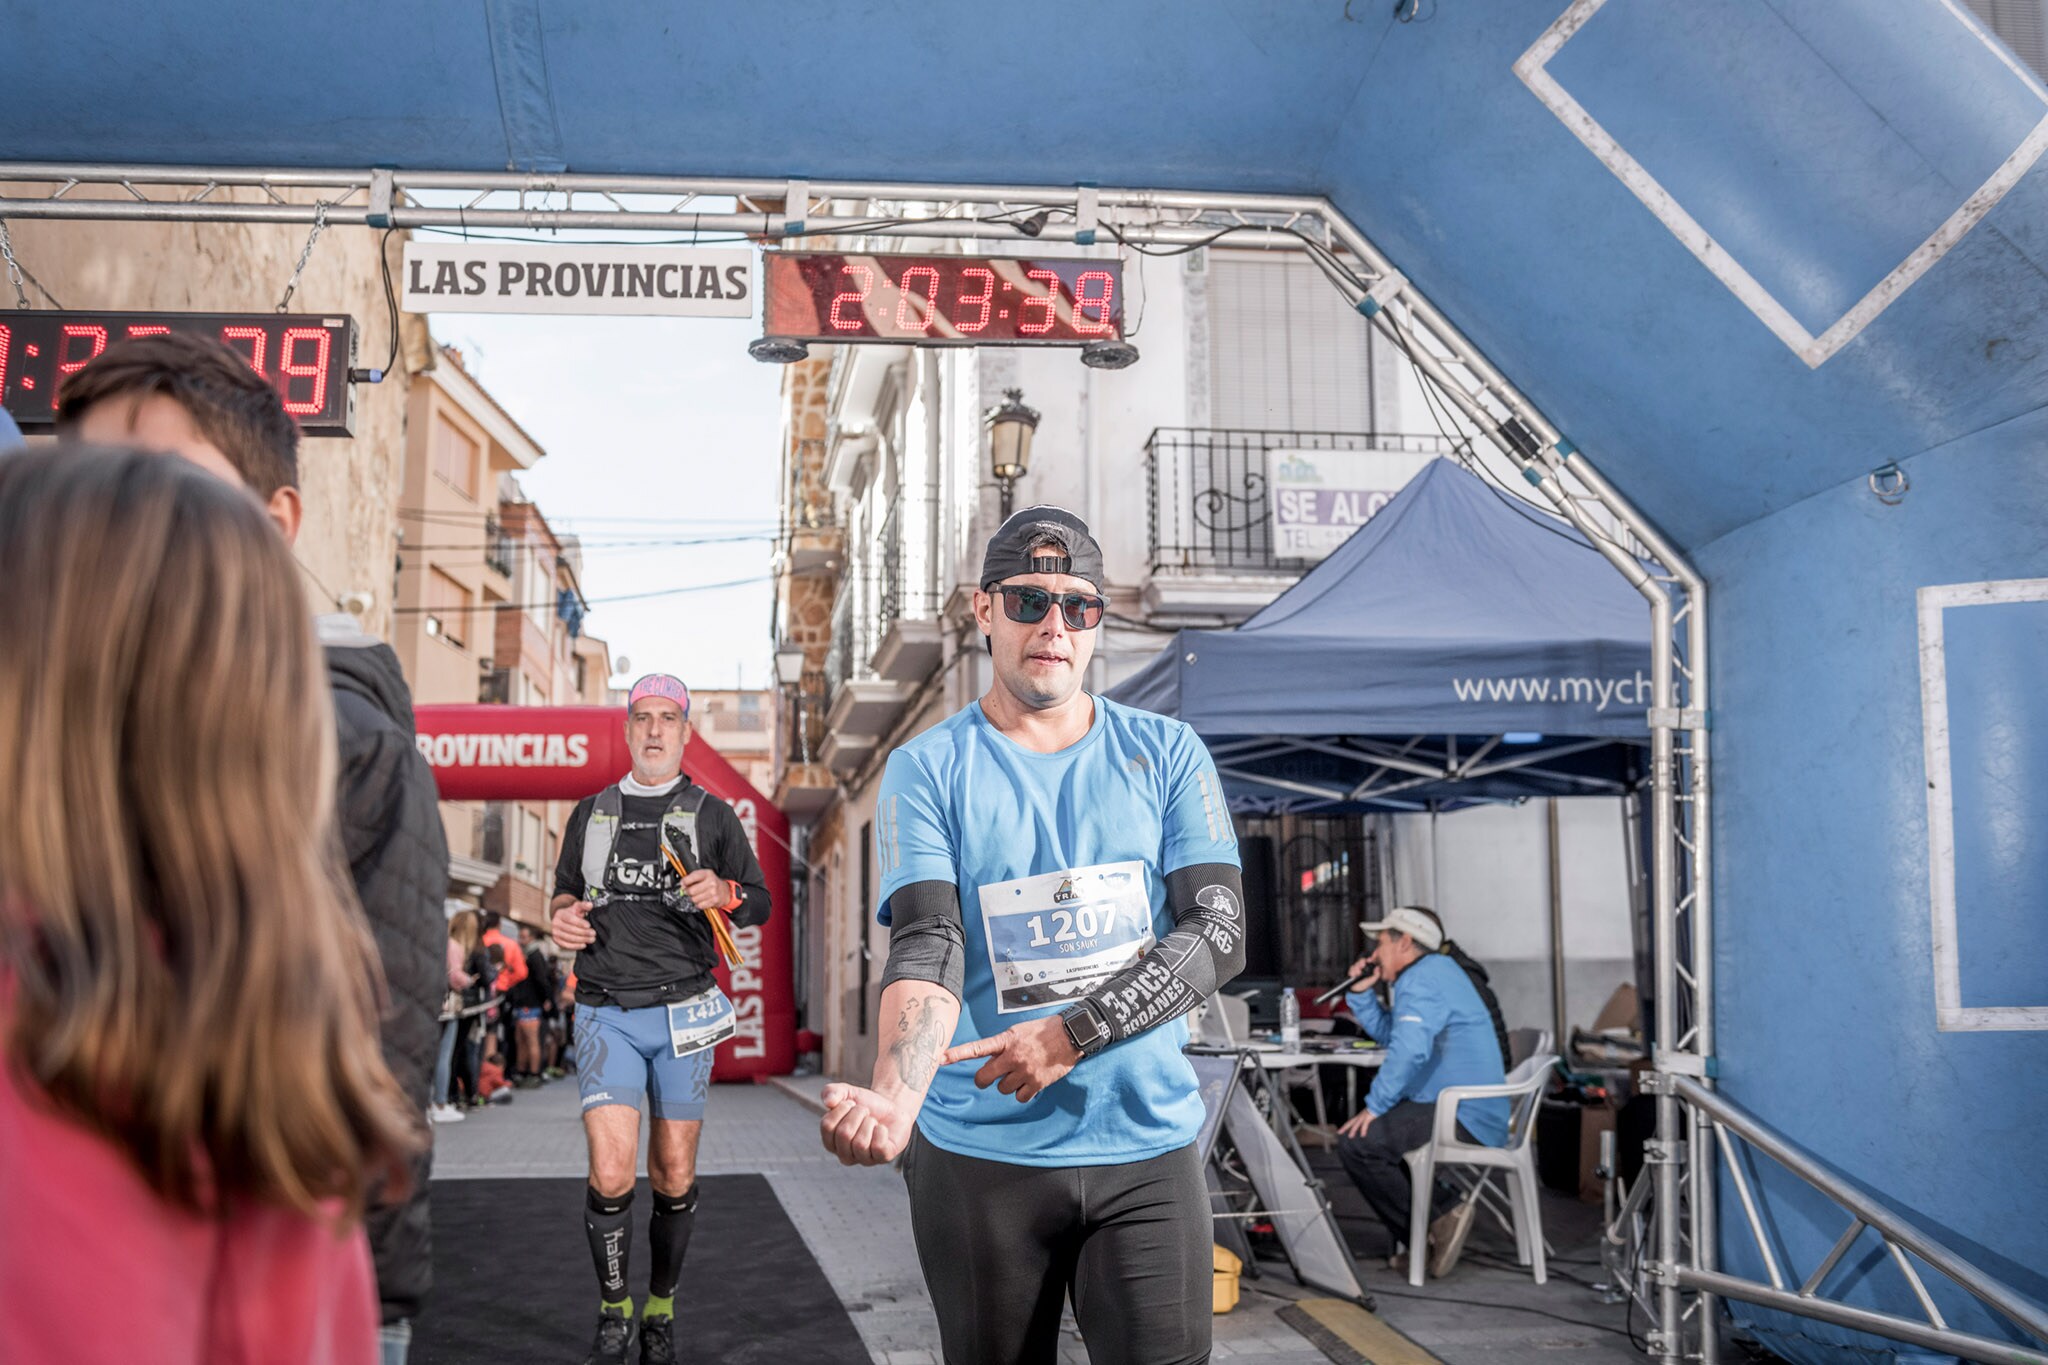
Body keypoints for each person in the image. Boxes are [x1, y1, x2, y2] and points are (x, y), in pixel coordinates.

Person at [59, 333, 450, 1363]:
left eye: (164, 485)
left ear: (273, 525)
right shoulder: (44, 725)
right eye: (89, 483)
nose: (117, 523)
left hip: (266, 1287)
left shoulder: (350, 750)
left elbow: (377, 1071)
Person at [819, 506, 1246, 1365]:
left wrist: (1074, 1032)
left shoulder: (1167, 751)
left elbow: (1219, 933)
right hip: (980, 1159)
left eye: (1078, 605)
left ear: (1098, 622)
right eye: (1027, 600)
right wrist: (897, 1096)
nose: (1054, 625)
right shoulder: (927, 767)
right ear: (984, 611)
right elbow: (929, 939)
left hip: (1145, 1151)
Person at [549, 673, 772, 1365]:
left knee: (672, 1171)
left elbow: (759, 900)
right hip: (605, 1010)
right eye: (641, 716)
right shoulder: (591, 811)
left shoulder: (713, 814)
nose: (653, 729)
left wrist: (727, 890)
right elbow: (562, 891)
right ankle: (614, 1307)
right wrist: (559, 917)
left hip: (682, 1013)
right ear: (627, 730)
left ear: (685, 732)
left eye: (666, 718)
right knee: (613, 1173)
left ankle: (660, 1307)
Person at [1335, 906, 1510, 1279]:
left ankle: (1440, 1216)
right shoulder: (1434, 973)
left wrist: (1375, 1106)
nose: (1374, 954)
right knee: (1373, 1138)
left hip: (1464, 1114)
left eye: (1381, 943)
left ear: (1406, 943)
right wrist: (1362, 995)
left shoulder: (1422, 979)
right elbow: (1394, 1036)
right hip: (1461, 1106)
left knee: (1359, 1143)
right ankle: (1431, 1229)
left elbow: (1409, 1051)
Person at [433, 912, 483, 1123]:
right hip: (449, 1004)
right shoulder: (455, 946)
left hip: (433, 1002)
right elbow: (454, 976)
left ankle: (431, 1103)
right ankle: (440, 1103)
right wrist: (469, 980)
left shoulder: (440, 941)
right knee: (444, 1054)